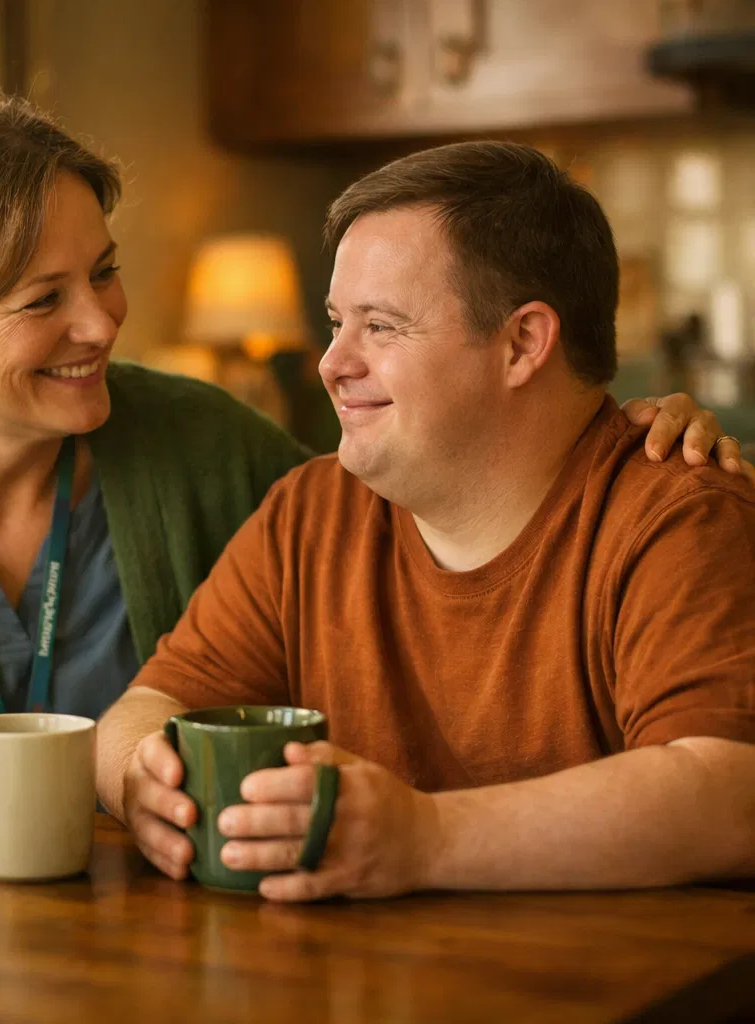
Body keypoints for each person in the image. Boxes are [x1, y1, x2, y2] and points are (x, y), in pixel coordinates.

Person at [0, 97, 738, 867]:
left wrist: (603, 427)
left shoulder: (217, 447)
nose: (101, 321)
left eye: (104, 271)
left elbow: (468, 489)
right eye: (42, 299)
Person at [97, 141, 755, 901]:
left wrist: (426, 837)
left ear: (522, 343)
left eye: (381, 326)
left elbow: (731, 794)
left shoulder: (681, 519)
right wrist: (141, 778)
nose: (331, 363)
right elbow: (147, 708)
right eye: (336, 322)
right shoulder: (310, 512)